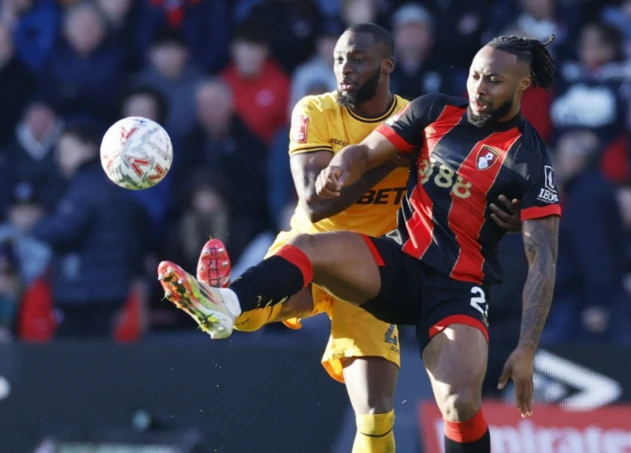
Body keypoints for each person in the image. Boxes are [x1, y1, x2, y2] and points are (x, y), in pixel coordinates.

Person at [161, 31, 547, 453]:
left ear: (387, 66)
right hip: (331, 249)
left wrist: (526, 340)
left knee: (384, 413)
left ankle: (225, 302)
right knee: (260, 299)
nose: (345, 69)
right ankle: (223, 301)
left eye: (358, 59)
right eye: (340, 59)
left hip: (399, 268)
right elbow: (318, 202)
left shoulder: (507, 149)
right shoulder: (322, 110)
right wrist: (353, 163)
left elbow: (540, 252)